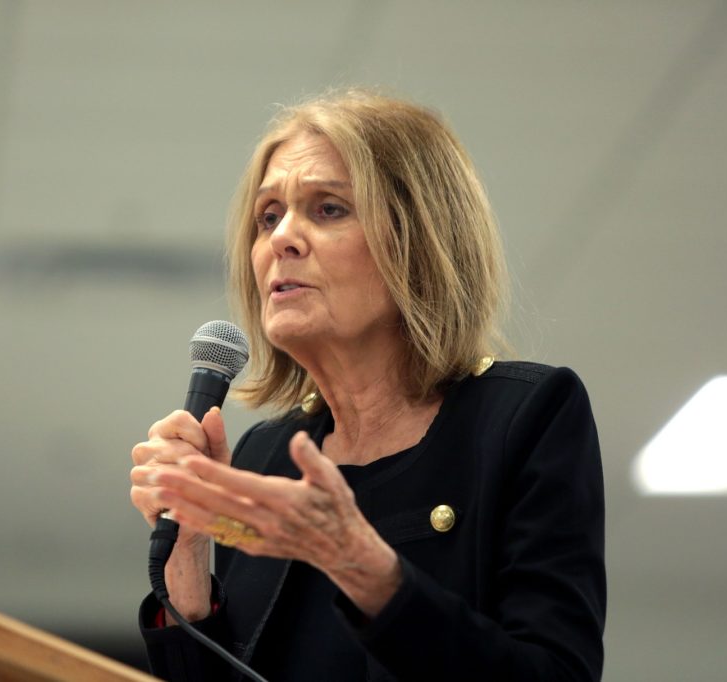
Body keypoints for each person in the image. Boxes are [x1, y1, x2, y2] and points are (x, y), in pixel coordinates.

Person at [129, 90, 606, 681]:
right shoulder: (264, 459)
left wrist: (363, 568)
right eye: (268, 216)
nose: (282, 239)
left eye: (328, 208)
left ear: (419, 239)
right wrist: (188, 562)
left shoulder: (522, 419)